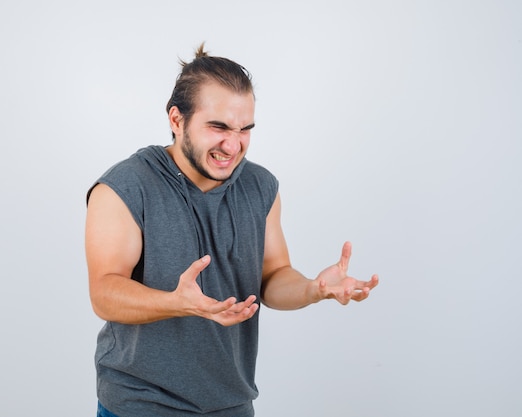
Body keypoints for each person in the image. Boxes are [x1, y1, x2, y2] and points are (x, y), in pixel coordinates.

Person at [85, 44, 379, 417]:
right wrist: (176, 303)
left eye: (245, 130)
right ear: (177, 120)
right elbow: (104, 293)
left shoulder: (260, 186)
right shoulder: (124, 187)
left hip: (231, 404)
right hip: (140, 404)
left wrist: (312, 289)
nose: (233, 144)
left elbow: (272, 276)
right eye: (218, 127)